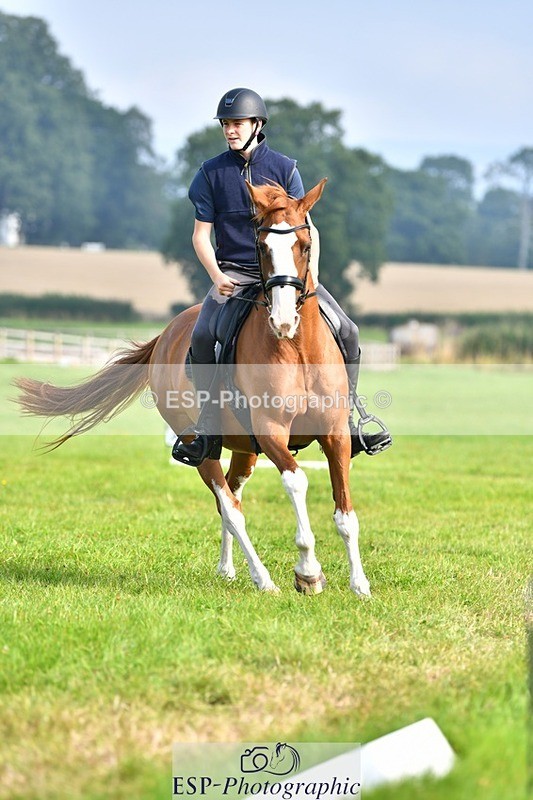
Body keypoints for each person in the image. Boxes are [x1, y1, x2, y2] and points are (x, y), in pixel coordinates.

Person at [173, 87, 392, 466]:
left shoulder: (285, 168)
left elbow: (308, 228)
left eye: (237, 123)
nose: (230, 130)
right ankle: (208, 427)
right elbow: (200, 236)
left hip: (289, 276)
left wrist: (312, 277)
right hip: (238, 275)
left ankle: (352, 419)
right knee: (204, 335)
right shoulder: (210, 174)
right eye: (226, 124)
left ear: (257, 125)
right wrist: (216, 275)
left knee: (349, 330)